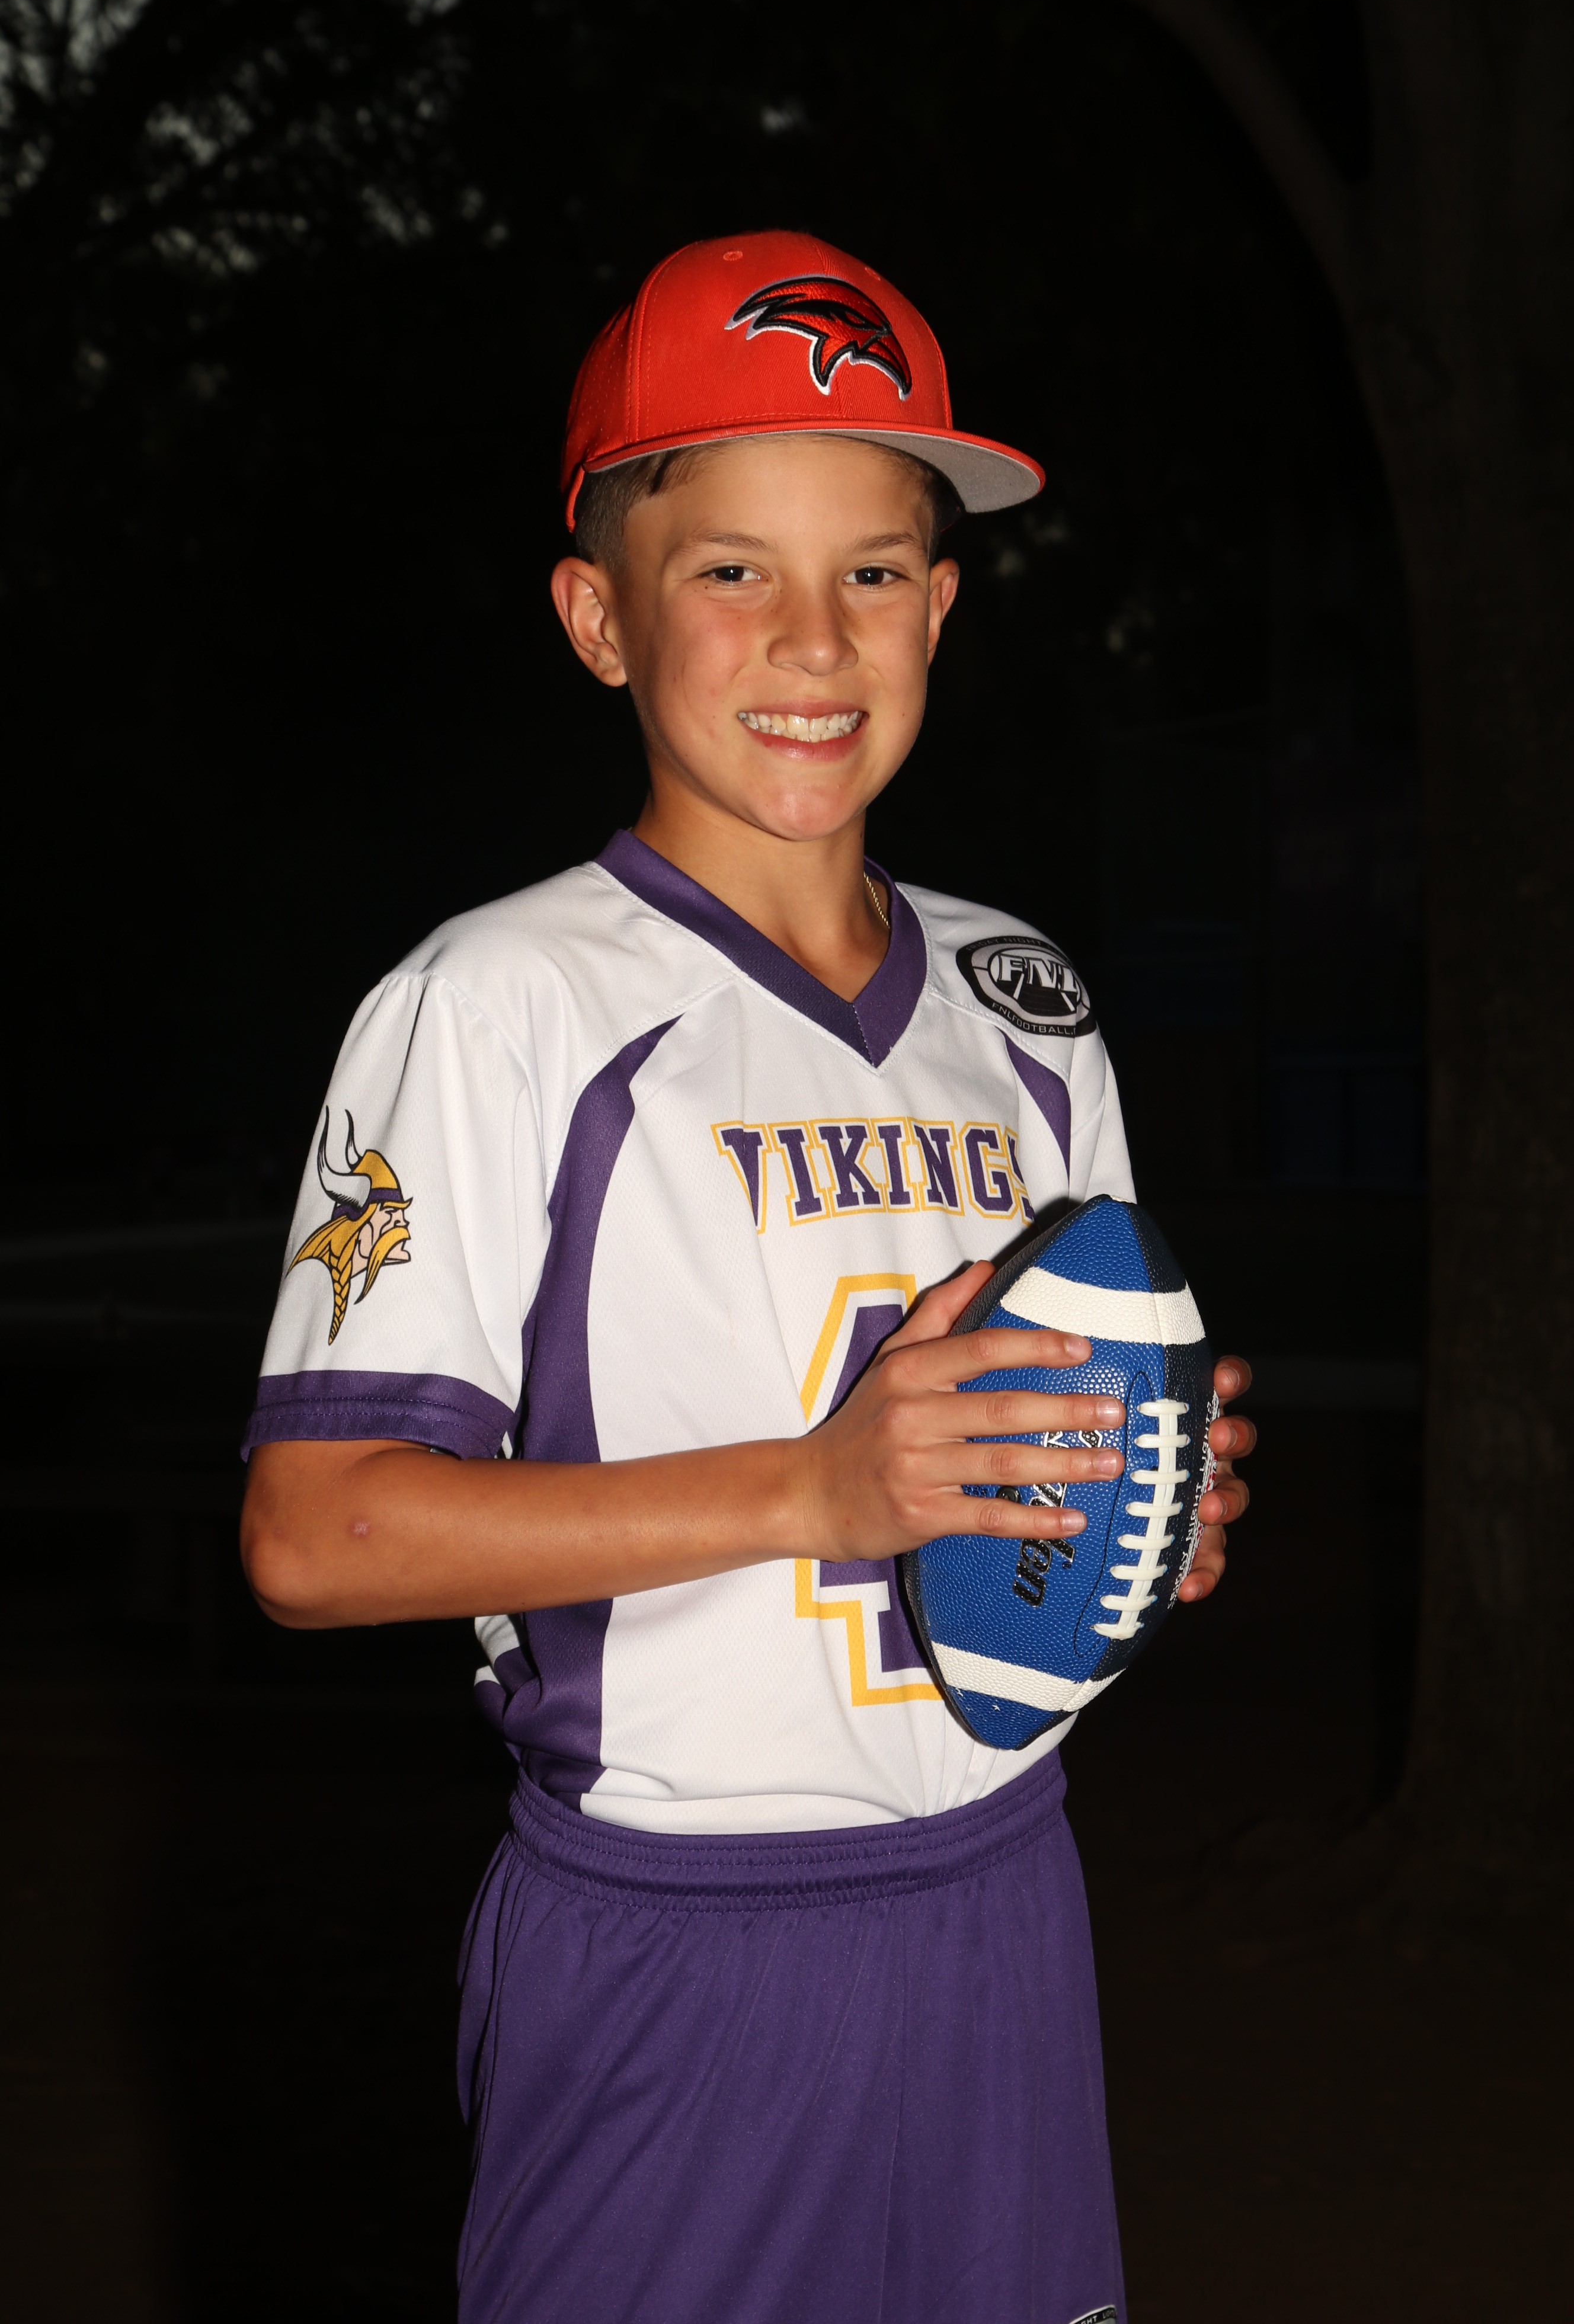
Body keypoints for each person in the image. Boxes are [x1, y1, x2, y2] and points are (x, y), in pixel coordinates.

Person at [241, 229, 1255, 2324]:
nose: (814, 636)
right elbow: (316, 1536)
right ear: (600, 617)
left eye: (874, 569)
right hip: (679, 1940)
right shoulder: (497, 1003)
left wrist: (1131, 1509)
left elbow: (1037, 1459)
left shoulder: (1025, 998)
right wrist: (816, 1490)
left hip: (1004, 1895)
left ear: (942, 606)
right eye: (732, 569)